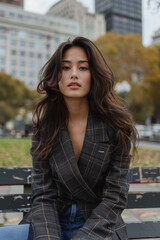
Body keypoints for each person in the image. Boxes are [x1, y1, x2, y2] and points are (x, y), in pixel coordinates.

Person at [20, 36, 137, 240]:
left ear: (94, 75)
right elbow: (43, 196)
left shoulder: (116, 127)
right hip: (51, 224)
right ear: (56, 76)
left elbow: (115, 197)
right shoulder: (45, 129)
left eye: (83, 68)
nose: (74, 74)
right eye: (66, 68)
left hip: (99, 227)